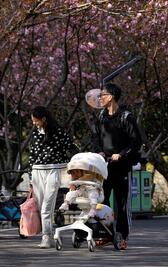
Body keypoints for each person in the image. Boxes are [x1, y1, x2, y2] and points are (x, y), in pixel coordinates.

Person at [91, 83, 142, 250]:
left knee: (121, 204)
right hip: (104, 167)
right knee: (101, 201)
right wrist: (99, 151)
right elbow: (95, 137)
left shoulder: (126, 117)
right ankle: (104, 234)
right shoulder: (100, 117)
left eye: (102, 95)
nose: (100, 98)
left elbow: (136, 142)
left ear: (111, 96)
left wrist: (121, 154)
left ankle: (121, 236)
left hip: (122, 166)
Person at [29, 106, 75, 248]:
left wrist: (76, 167)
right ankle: (47, 233)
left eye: (36, 121)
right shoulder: (35, 133)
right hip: (37, 172)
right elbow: (32, 153)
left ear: (43, 119)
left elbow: (70, 147)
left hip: (54, 170)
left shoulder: (59, 132)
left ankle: (46, 236)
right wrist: (30, 177)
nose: (34, 123)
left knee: (46, 206)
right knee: (41, 204)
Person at [58, 152, 107, 218]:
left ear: (82, 172)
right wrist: (73, 185)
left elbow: (98, 185)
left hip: (92, 192)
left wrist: (96, 185)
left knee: (92, 194)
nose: (74, 175)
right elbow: (74, 187)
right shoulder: (77, 180)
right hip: (81, 192)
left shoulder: (92, 177)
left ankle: (93, 208)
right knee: (71, 193)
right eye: (73, 173)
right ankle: (66, 204)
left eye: (76, 173)